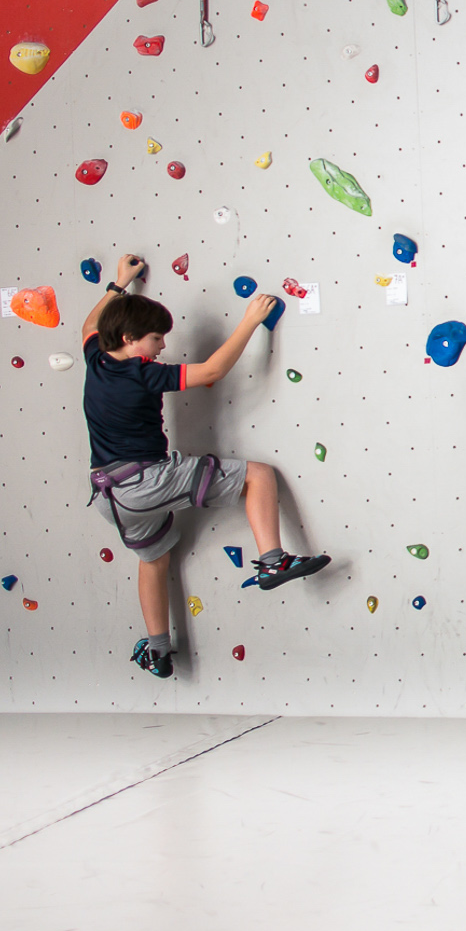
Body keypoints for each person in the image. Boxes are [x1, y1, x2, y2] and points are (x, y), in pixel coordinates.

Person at [81, 255, 330, 680]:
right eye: (156, 338)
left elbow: (88, 326)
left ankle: (157, 651)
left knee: (153, 561)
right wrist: (251, 320)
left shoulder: (97, 360)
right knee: (259, 476)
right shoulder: (144, 375)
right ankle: (272, 561)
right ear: (129, 338)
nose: (162, 346)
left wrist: (120, 284)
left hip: (110, 496)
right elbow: (213, 369)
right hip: (145, 481)